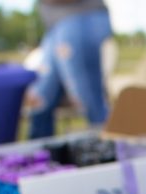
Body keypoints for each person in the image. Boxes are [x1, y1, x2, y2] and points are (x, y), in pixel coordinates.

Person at [27, 0, 111, 138]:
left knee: (90, 101)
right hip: (56, 25)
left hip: (80, 18)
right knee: (41, 100)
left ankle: (115, 149)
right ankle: (40, 157)